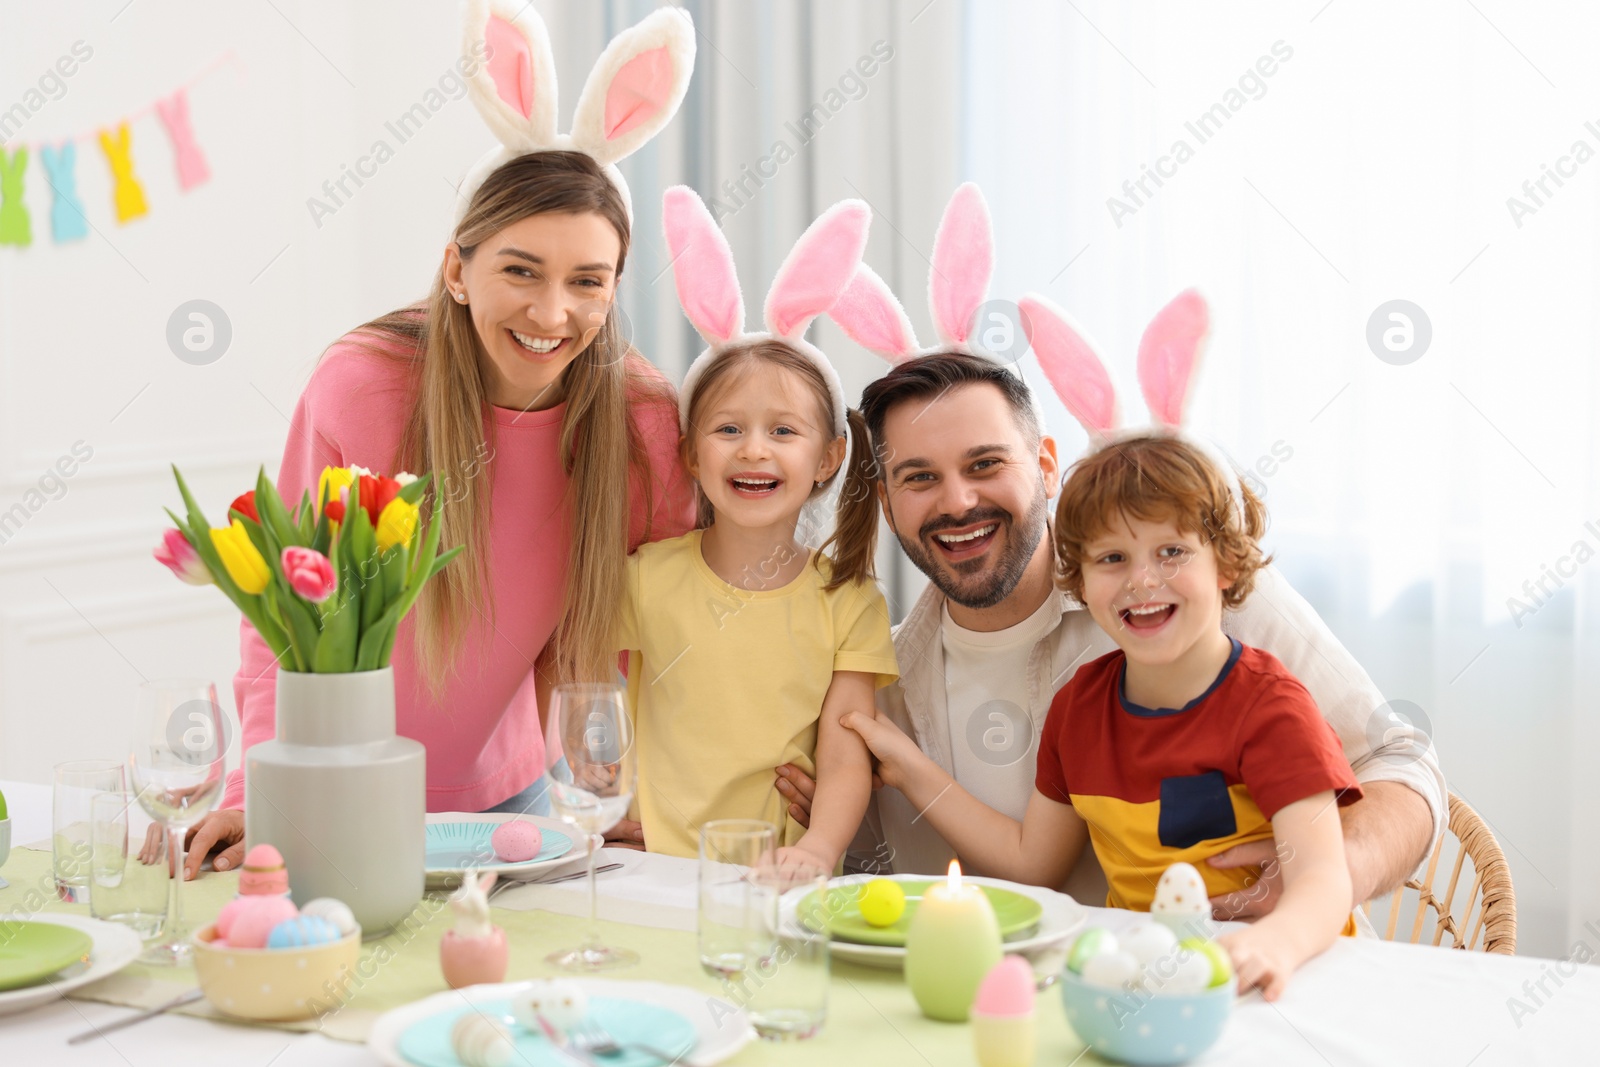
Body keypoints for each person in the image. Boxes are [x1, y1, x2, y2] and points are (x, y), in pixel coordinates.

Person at [174, 6, 698, 878]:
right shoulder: (363, 387)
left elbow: (670, 617)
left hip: (520, 800)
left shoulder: (641, 421)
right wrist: (250, 793)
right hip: (337, 794)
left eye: (587, 282)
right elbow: (281, 613)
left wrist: (666, 786)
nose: (551, 312)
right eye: (520, 270)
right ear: (458, 269)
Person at [777, 351, 1444, 919]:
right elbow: (867, 884)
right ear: (888, 501)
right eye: (920, 477)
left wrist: (1320, 877)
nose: (956, 502)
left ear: (1045, 467)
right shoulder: (875, 677)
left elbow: (1400, 758)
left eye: (984, 465)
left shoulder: (1191, 594)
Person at [846, 433, 1361, 999]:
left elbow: (1322, 878)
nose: (1142, 580)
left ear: (1228, 565)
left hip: (1284, 981)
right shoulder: (1080, 706)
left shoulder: (1272, 708)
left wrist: (1276, 945)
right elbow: (1031, 863)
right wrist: (907, 767)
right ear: (1081, 583)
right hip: (1148, 984)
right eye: (1113, 558)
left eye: (1172, 552)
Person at [612, 188, 897, 866]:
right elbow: (593, 703)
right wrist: (616, 802)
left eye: (783, 430)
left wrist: (820, 849)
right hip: (653, 869)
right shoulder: (645, 576)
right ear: (689, 451)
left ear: (828, 456)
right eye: (729, 428)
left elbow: (845, 751)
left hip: (778, 874)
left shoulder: (850, 602)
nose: (754, 450)